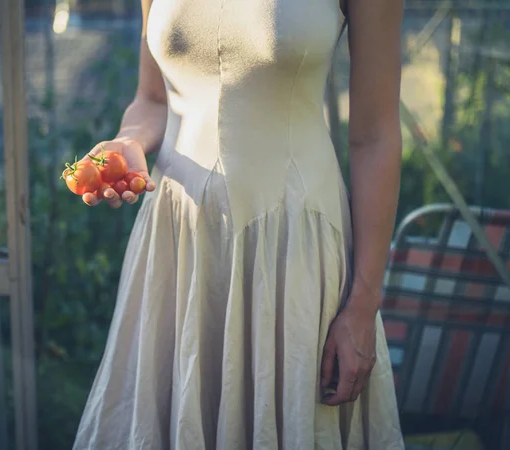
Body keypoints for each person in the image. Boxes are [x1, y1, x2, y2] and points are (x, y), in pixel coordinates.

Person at [73, 0, 405, 448]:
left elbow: (376, 135)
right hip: (179, 247)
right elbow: (153, 99)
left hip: (293, 255)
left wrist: (363, 305)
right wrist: (128, 143)